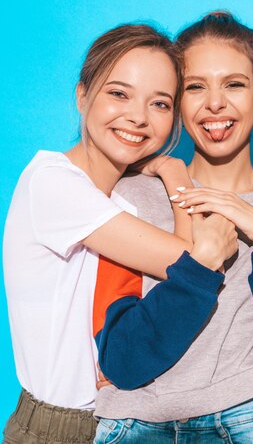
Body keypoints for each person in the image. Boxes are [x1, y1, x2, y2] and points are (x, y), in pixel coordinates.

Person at [92, 11, 253, 443]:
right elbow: (122, 362)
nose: (215, 103)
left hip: (249, 421)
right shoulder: (132, 197)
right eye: (196, 86)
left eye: (234, 84)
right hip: (136, 424)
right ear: (177, 100)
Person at [1, 23, 202, 444]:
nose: (138, 116)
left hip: (123, 423)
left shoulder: (123, 201)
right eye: (119, 93)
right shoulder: (53, 184)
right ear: (82, 94)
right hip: (57, 429)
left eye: (160, 104)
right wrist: (174, 169)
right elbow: (188, 261)